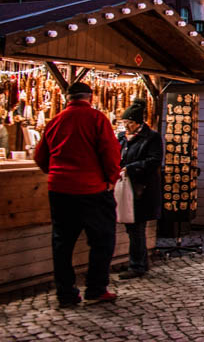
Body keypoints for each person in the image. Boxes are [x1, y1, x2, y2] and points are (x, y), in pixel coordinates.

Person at [33, 82, 121, 307]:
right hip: (92, 189)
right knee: (102, 241)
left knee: (62, 243)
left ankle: (66, 293)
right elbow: (110, 153)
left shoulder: (55, 121)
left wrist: (55, 174)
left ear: (67, 97)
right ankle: (96, 288)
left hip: (60, 190)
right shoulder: (96, 119)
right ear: (90, 98)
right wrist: (111, 180)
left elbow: (40, 156)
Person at [116, 99, 162, 280]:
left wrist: (131, 168)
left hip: (141, 188)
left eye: (129, 123)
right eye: (124, 123)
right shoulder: (121, 138)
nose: (126, 126)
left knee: (136, 227)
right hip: (124, 186)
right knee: (132, 227)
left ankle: (137, 265)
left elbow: (154, 160)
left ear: (138, 123)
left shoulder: (152, 137)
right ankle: (139, 262)